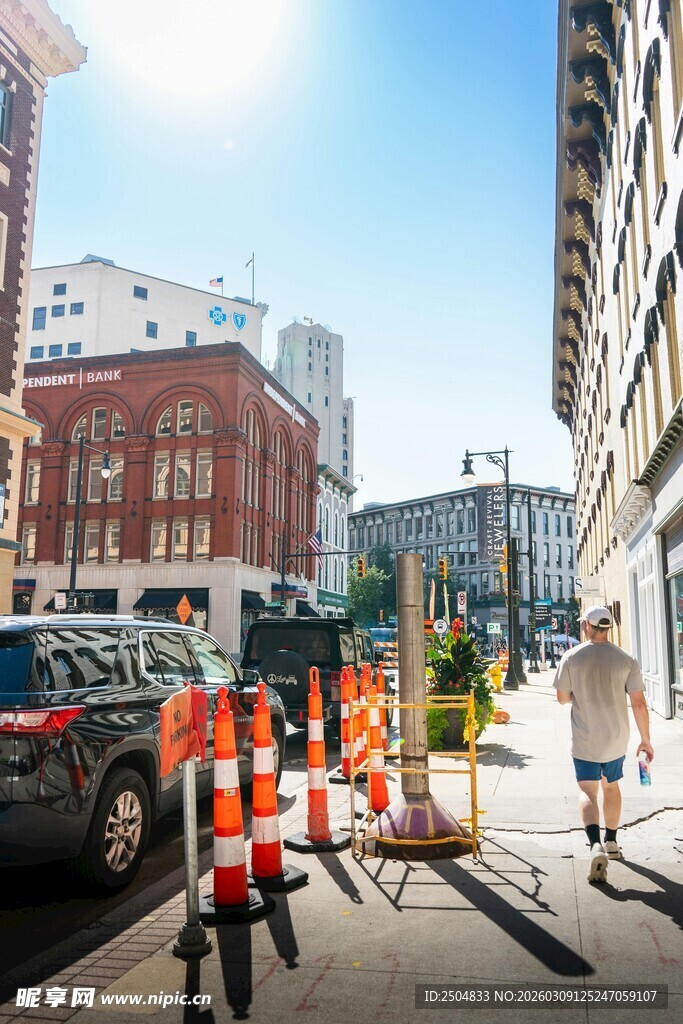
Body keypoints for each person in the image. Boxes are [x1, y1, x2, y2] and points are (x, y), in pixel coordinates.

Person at [553, 605, 654, 883]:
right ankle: (612, 842)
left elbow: (562, 698)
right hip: (616, 739)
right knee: (611, 787)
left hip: (585, 739)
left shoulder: (571, 657)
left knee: (587, 790)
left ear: (586, 625)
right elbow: (639, 703)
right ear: (607, 627)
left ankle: (594, 844)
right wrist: (645, 740)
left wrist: (580, 696)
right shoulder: (626, 659)